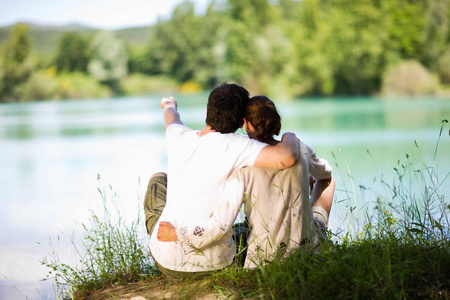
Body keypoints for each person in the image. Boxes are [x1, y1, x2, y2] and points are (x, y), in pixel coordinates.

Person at [157, 95, 335, 269]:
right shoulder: (299, 148)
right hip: (307, 248)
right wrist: (302, 179)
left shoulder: (243, 169)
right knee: (329, 182)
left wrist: (177, 234)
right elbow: (326, 174)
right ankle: (319, 237)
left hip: (263, 257)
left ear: (246, 124)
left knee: (239, 228)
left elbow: (220, 224)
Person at [144, 83, 300, 278]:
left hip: (166, 262)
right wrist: (290, 136)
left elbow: (171, 118)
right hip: (217, 264)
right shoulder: (240, 145)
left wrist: (169, 104)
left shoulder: (178, 135)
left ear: (207, 111)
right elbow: (288, 157)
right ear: (242, 122)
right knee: (248, 230)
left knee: (158, 180)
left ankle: (166, 239)